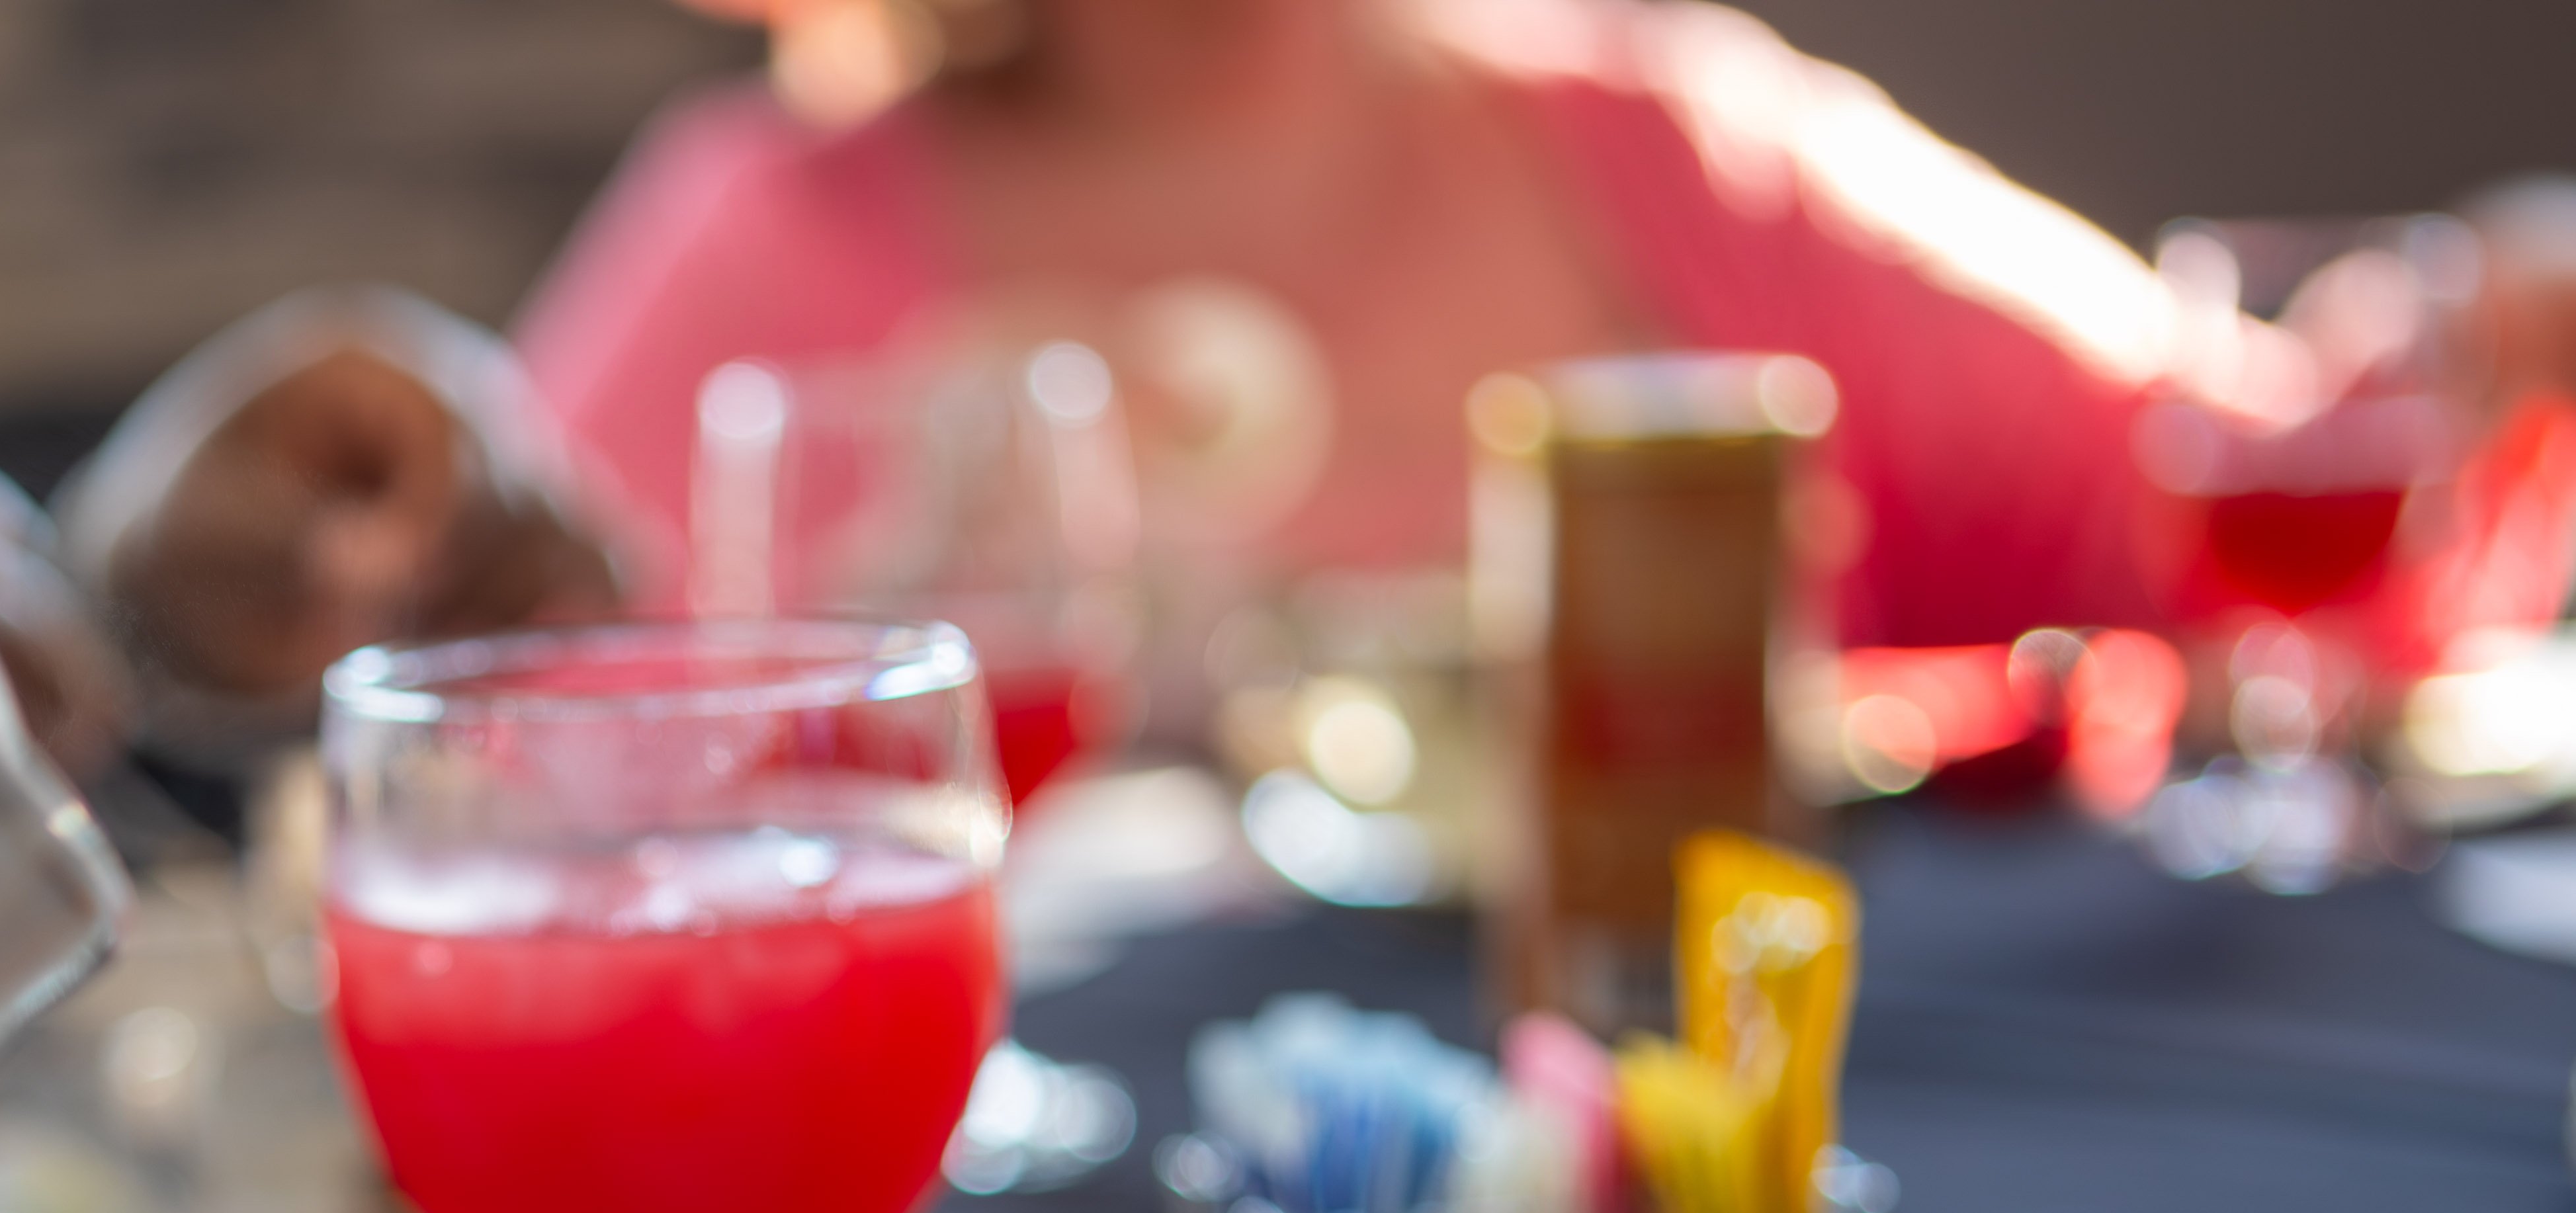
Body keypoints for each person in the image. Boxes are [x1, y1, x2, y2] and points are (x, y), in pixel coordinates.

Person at [515, 0, 2395, 647]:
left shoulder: (1663, 143)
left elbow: (2232, 477)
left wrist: (2462, 326)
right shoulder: (763, 239)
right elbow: (494, 762)